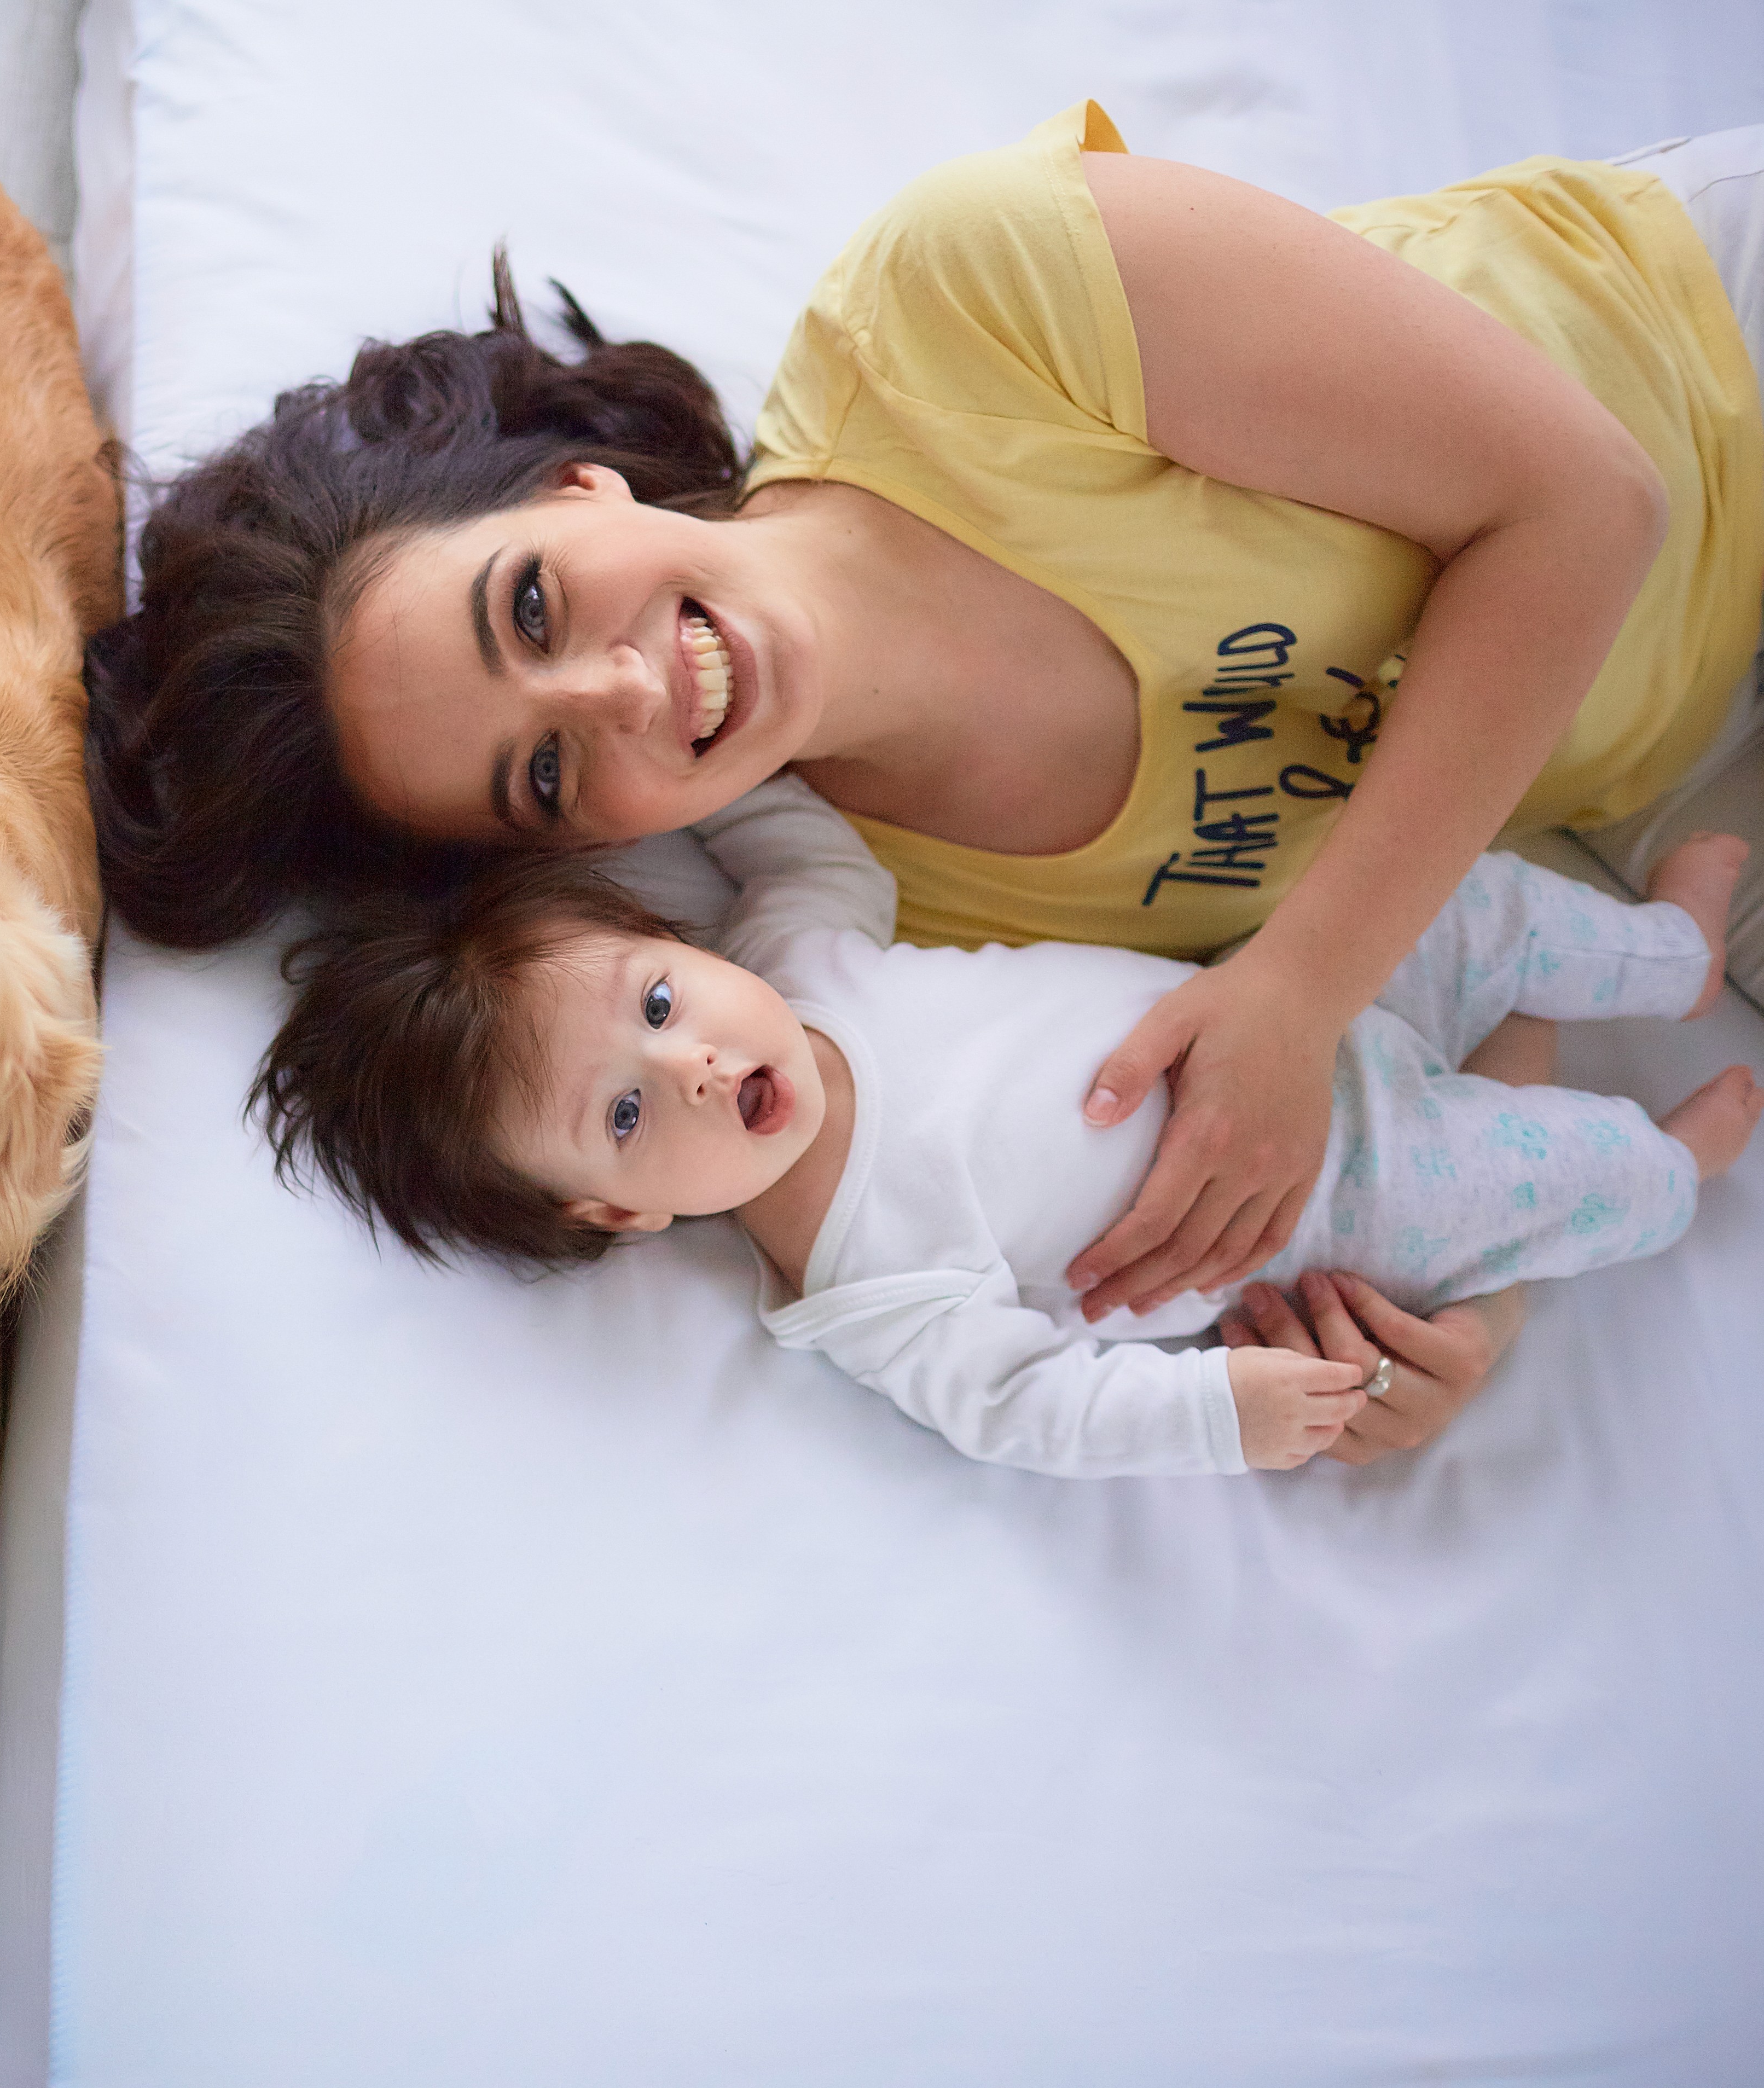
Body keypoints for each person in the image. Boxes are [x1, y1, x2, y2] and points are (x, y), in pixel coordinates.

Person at [88, 109, 1764, 1408]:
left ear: (566, 493)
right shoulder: (919, 945)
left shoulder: (968, 296)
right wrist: (1464, 1314)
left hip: (1709, 360)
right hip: (1669, 789)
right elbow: (1411, 1013)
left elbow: (1585, 505)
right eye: (539, 775)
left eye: (528, 607)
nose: (612, 691)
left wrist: (1297, 987)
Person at [249, 778, 1758, 1476]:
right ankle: (1668, 1164)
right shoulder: (862, 1287)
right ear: (619, 1214)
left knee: (1472, 899)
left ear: (677, 946)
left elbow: (782, 820)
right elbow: (1034, 1407)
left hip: (1288, 1006)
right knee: (1543, 1173)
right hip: (1340, 1188)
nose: (701, 1063)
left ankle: (1666, 957)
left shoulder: (799, 963)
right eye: (631, 1113)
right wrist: (1209, 1418)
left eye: (659, 1002)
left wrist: (663, 781)